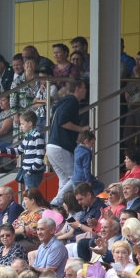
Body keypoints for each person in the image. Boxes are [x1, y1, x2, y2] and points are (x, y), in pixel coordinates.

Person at [47, 78, 90, 207]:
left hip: (52, 146)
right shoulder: (72, 101)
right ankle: (55, 203)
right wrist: (81, 129)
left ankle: (60, 207)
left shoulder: (62, 102)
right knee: (76, 177)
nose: (86, 90)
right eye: (84, 87)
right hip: (61, 146)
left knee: (64, 180)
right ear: (77, 89)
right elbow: (63, 121)